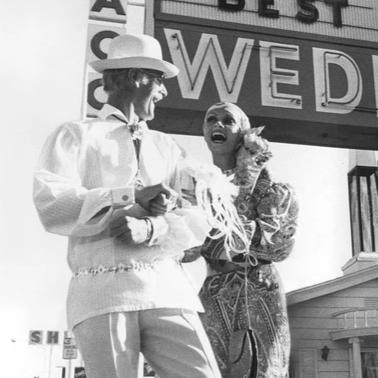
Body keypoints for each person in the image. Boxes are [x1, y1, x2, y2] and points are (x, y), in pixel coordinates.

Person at [33, 34, 221, 378]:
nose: (164, 92)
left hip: (167, 289)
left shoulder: (168, 147)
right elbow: (51, 204)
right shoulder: (76, 135)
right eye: (160, 81)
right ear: (137, 77)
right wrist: (128, 196)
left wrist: (152, 228)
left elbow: (198, 217)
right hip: (102, 294)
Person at [195, 102, 299, 378]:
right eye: (211, 119)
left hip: (257, 288)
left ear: (243, 132)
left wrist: (246, 174)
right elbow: (186, 245)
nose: (217, 125)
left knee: (262, 371)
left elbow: (277, 245)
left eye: (227, 120)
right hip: (213, 292)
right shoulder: (197, 185)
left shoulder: (269, 186)